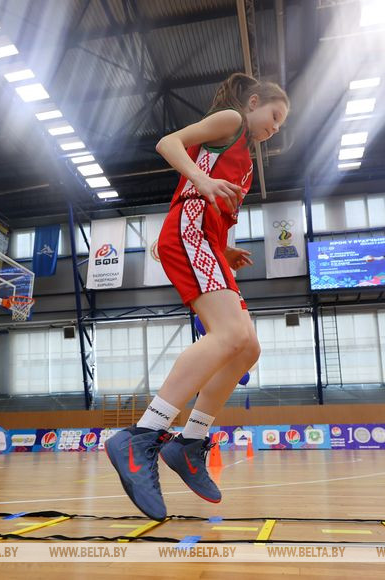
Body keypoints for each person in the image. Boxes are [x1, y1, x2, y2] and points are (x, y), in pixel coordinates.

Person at [107, 73, 289, 520]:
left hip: (206, 240)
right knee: (229, 335)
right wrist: (202, 183)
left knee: (247, 348)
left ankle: (190, 442)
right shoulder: (231, 121)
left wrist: (224, 249)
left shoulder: (246, 160)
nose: (275, 127)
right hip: (189, 233)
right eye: (274, 115)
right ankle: (142, 436)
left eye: (281, 124)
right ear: (253, 102)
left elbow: (211, 206)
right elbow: (168, 143)